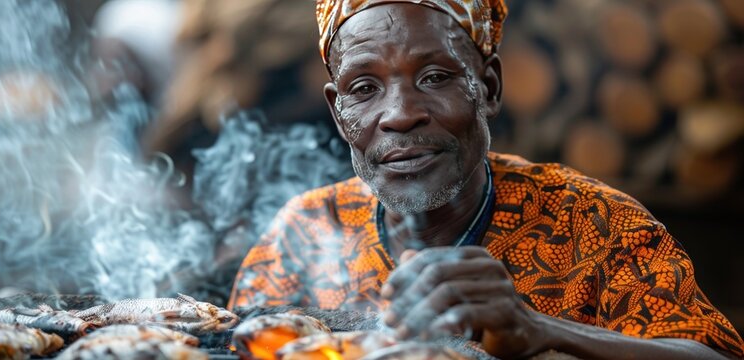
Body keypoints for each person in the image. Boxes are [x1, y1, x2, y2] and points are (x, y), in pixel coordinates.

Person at [228, 1, 744, 358]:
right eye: (364, 88)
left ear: (489, 87)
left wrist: (538, 329)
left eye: (435, 77)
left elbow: (712, 354)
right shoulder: (303, 234)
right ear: (339, 114)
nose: (400, 115)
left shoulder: (591, 223)